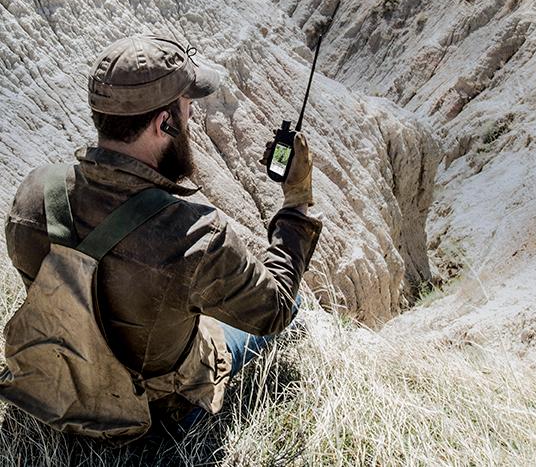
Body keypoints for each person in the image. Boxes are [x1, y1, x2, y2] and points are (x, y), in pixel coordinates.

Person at [4, 34, 322, 430]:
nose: (191, 120)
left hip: (58, 383)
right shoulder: (195, 236)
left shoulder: (33, 195)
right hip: (151, 408)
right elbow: (271, 309)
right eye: (187, 108)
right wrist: (295, 201)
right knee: (291, 306)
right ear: (165, 123)